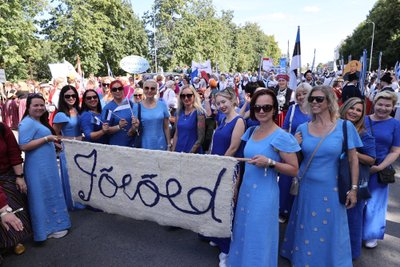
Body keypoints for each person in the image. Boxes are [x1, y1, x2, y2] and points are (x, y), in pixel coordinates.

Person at [281, 85, 362, 267]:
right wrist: (293, 143)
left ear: (330, 101)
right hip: (306, 187)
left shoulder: (345, 127)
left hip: (331, 189)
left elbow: (353, 160)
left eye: (319, 99)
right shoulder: (303, 127)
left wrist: (354, 189)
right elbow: (293, 159)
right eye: (312, 99)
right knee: (307, 227)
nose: (314, 102)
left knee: (329, 228)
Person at [228, 89, 300, 267]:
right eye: (257, 107)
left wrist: (270, 162)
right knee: (243, 232)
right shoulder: (251, 131)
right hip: (246, 191)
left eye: (266, 107)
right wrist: (235, 187)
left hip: (264, 195)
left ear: (275, 109)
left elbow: (294, 169)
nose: (261, 111)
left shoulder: (282, 136)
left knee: (258, 236)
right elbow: (244, 163)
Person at [19, 94, 71, 241]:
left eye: (41, 105)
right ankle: (44, 231)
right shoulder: (26, 123)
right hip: (37, 167)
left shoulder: (38, 121)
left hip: (47, 165)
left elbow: (41, 140)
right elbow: (23, 146)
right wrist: (47, 139)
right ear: (28, 107)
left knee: (50, 191)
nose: (39, 108)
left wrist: (54, 143)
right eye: (35, 105)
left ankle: (56, 226)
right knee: (40, 196)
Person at [206, 88, 245, 266]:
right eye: (218, 103)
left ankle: (226, 251)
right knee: (216, 204)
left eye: (224, 102)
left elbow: (233, 148)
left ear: (233, 100)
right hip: (216, 166)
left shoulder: (239, 121)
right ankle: (217, 237)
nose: (221, 106)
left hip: (227, 169)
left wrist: (218, 167)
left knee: (227, 208)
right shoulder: (222, 119)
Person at [339, 97, 376, 259]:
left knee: (352, 220)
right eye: (351, 108)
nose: (354, 112)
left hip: (353, 183)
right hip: (333, 180)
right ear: (344, 108)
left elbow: (371, 159)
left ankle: (351, 255)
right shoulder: (334, 128)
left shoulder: (364, 133)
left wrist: (353, 153)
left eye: (359, 110)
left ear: (362, 114)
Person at [363, 91, 400, 248]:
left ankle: (371, 234)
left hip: (380, 168)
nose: (383, 108)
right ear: (374, 104)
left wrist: (379, 167)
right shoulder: (363, 120)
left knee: (375, 203)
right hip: (360, 164)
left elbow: (396, 150)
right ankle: (355, 231)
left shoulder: (396, 124)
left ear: (392, 107)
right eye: (380, 104)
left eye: (387, 105)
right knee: (356, 200)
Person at [279, 83, 312, 222]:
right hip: (292, 153)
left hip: (310, 153)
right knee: (287, 182)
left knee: (305, 183)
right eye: (298, 94)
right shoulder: (292, 109)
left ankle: (300, 212)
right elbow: (284, 131)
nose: (301, 96)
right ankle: (284, 210)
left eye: (304, 93)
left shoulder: (315, 111)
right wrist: (292, 141)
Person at [0, 122, 31, 257]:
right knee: (4, 210)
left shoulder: (2, 128)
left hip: (7, 174)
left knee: (15, 205)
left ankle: (14, 239)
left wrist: (19, 176)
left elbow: (13, 151)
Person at [52, 85, 82, 210]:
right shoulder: (60, 115)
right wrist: (74, 139)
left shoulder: (78, 110)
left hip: (81, 149)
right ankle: (72, 203)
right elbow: (54, 136)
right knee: (71, 178)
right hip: (69, 150)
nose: (71, 98)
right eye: (67, 96)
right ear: (62, 98)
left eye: (73, 95)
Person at [131, 79, 170, 150]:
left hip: (161, 144)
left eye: (152, 88)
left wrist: (169, 145)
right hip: (144, 145)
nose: (149, 90)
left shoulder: (162, 105)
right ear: (143, 90)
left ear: (156, 91)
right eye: (146, 88)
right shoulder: (137, 106)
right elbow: (134, 129)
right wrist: (135, 126)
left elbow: (166, 127)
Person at [172, 85, 205, 153]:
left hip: (193, 153)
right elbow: (176, 134)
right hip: (179, 150)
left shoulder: (199, 113)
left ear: (194, 96)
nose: (186, 98)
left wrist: (189, 154)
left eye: (189, 95)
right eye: (183, 96)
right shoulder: (178, 113)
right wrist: (173, 151)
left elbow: (200, 139)